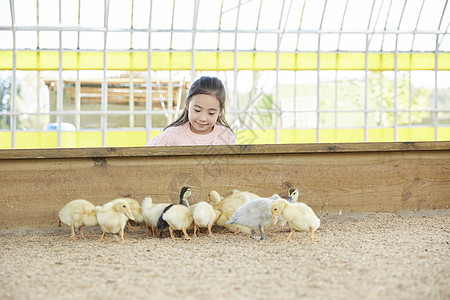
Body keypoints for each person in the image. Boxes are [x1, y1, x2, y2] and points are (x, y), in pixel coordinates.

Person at [146, 76, 237, 146]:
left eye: (211, 113)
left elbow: (238, 164)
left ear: (220, 111)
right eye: (197, 110)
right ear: (187, 104)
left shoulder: (225, 135)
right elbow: (144, 155)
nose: (202, 118)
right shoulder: (172, 134)